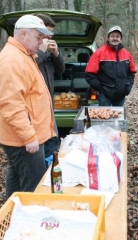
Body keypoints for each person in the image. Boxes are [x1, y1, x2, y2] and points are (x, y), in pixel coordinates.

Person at [0, 15, 56, 198]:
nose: (42, 42)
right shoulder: (12, 60)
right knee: (33, 187)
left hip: (25, 136)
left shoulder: (25, 55)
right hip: (24, 138)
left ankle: (9, 219)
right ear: (23, 34)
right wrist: (29, 136)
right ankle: (28, 223)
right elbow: (10, 104)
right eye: (38, 37)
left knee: (17, 180)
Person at [35, 13, 65, 164]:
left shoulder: (47, 51)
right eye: (45, 34)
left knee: (53, 141)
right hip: (36, 109)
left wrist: (56, 54)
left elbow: (60, 70)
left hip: (49, 105)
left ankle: (52, 168)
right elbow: (31, 67)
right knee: (43, 145)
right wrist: (40, 50)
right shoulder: (30, 52)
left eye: (50, 35)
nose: (48, 38)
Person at [85, 26, 136, 106]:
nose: (115, 38)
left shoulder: (126, 54)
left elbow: (131, 73)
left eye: (117, 36)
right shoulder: (99, 53)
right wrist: (101, 89)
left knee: (118, 117)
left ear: (120, 39)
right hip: (105, 95)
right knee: (104, 117)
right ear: (108, 38)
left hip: (120, 95)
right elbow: (89, 74)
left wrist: (127, 87)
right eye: (112, 36)